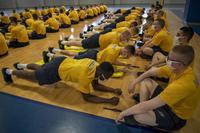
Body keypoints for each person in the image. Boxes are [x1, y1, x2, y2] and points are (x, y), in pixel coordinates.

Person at [116, 45, 200, 131]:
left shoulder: (183, 84)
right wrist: (134, 82)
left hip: (175, 117)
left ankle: (148, 113)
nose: (167, 60)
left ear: (179, 64)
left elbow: (146, 106)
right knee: (146, 81)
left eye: (170, 59)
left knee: (137, 116)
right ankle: (147, 111)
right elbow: (150, 72)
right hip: (169, 102)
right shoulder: (179, 68)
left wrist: (123, 113)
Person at [2, 57, 122, 105]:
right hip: (56, 70)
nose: (107, 79)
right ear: (101, 71)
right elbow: (87, 97)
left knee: (42, 68)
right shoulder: (86, 76)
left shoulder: (95, 65)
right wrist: (108, 100)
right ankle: (8, 71)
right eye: (107, 76)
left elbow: (95, 86)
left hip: (62, 61)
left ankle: (20, 65)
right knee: (34, 77)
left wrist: (113, 90)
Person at [44, 44, 135, 67]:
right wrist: (123, 64)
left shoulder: (116, 46)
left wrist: (124, 63)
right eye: (126, 53)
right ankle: (49, 54)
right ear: (125, 49)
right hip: (92, 57)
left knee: (73, 53)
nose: (125, 55)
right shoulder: (113, 54)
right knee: (70, 59)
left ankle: (54, 50)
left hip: (93, 52)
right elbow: (111, 63)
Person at [59, 30, 131, 50]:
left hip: (97, 38)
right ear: (123, 35)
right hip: (95, 41)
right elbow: (109, 49)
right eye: (125, 39)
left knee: (80, 42)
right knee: (80, 44)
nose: (124, 41)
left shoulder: (117, 34)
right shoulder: (116, 39)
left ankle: (66, 40)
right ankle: (63, 42)